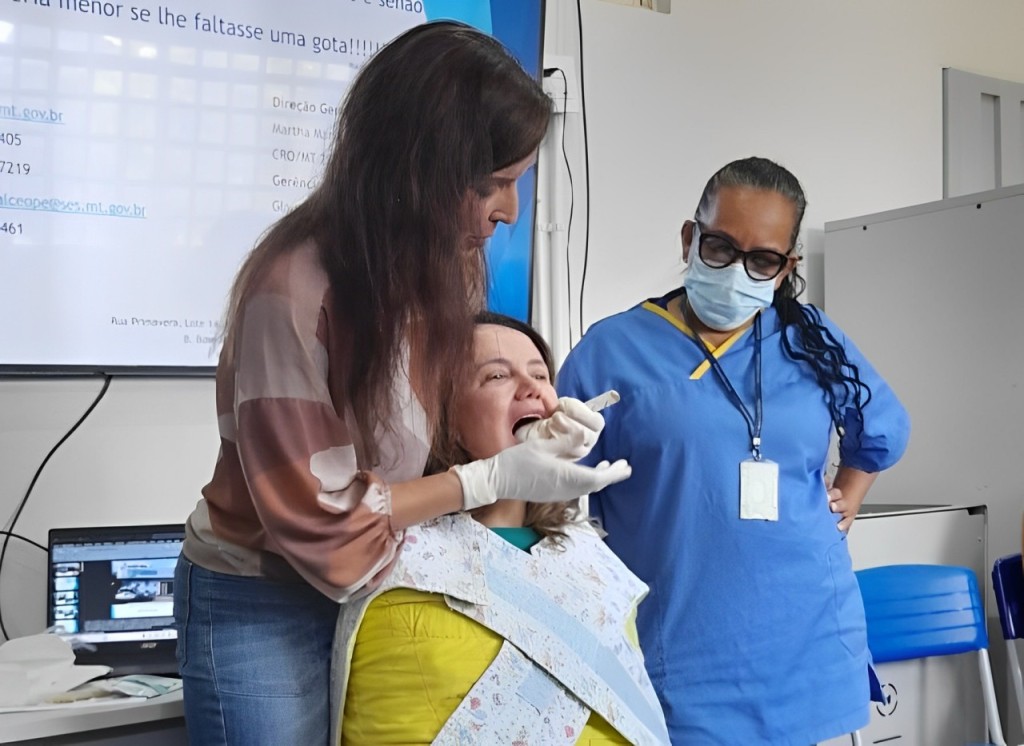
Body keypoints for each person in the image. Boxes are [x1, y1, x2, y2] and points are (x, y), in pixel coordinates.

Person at [172, 22, 631, 746]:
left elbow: (440, 421)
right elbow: (325, 525)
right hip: (267, 586)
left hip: (392, 563)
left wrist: (531, 434)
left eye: (518, 182)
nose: (509, 211)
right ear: (417, 171)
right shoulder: (290, 295)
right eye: (494, 185)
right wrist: (488, 477)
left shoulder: (440, 259)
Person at [557, 156, 911, 745]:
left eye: (763, 259)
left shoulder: (811, 340)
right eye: (720, 247)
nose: (737, 270)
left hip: (809, 642)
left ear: (786, 267)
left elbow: (882, 428)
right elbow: (552, 483)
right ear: (690, 238)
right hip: (684, 651)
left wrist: (847, 498)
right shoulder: (614, 348)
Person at [330, 312, 670, 745]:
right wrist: (482, 480)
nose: (531, 388)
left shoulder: (592, 562)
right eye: (495, 376)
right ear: (443, 412)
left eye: (541, 375)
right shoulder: (392, 547)